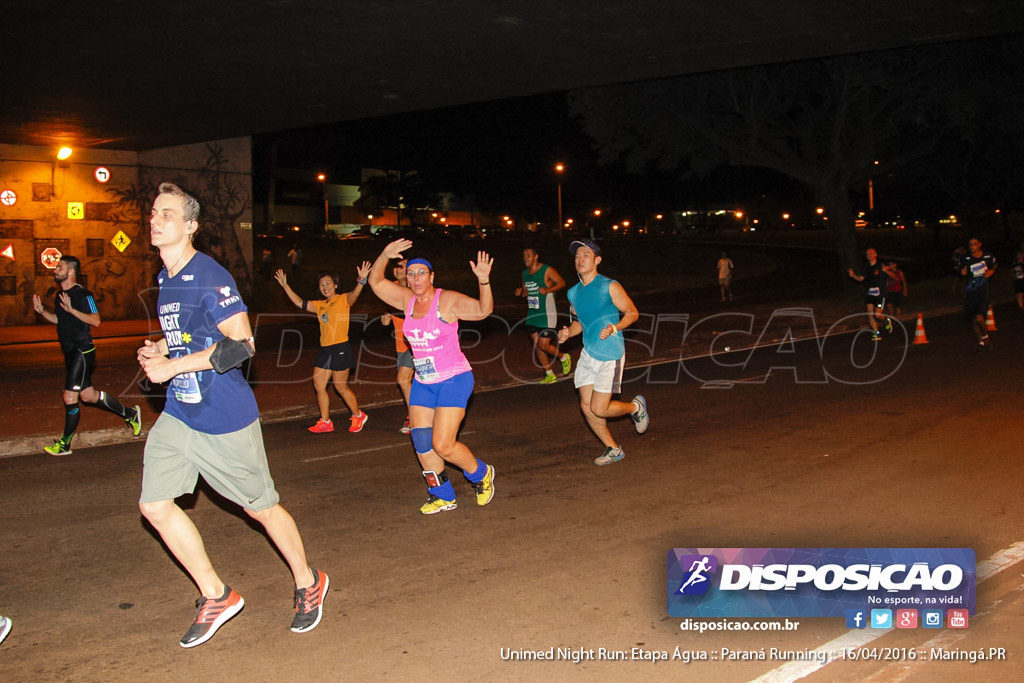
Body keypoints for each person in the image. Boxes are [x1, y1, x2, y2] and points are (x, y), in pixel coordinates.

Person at [138, 183, 327, 648]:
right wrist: (160, 348)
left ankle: (308, 581)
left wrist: (172, 366)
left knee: (259, 507)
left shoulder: (209, 274)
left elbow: (243, 345)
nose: (155, 220)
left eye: (166, 214)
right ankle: (216, 594)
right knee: (155, 505)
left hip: (224, 415)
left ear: (190, 227)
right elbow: (189, 332)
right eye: (153, 214)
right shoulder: (166, 277)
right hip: (182, 411)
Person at [368, 239, 496, 515]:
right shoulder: (406, 300)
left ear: (432, 276)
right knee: (422, 442)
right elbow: (375, 282)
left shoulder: (446, 300)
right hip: (424, 382)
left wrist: (484, 282)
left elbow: (483, 311)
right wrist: (384, 255)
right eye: (410, 273)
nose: (415, 278)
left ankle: (481, 474)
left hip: (454, 379)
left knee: (443, 444)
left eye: (421, 273)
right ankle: (442, 495)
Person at [32, 256, 142, 456]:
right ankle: (130, 413)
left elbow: (96, 321)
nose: (55, 270)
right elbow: (61, 320)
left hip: (82, 351)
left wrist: (73, 310)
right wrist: (42, 312)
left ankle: (64, 444)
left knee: (69, 397)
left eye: (60, 267)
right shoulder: (59, 296)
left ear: (71, 272)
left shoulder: (84, 295)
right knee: (88, 396)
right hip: (70, 352)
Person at [557, 240, 649, 466]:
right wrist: (569, 332)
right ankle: (613, 448)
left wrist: (615, 328)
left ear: (597, 260)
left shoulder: (609, 286)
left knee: (600, 408)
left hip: (610, 355)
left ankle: (635, 408)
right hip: (589, 354)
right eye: (577, 256)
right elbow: (579, 322)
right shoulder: (573, 293)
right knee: (587, 408)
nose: (580, 259)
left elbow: (632, 313)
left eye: (586, 255)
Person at [274, 264, 371, 434]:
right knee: (319, 385)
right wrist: (285, 285)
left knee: (340, 387)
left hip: (341, 347)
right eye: (321, 285)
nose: (325, 287)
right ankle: (325, 421)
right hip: (325, 349)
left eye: (328, 283)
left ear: (335, 285)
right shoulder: (319, 305)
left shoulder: (343, 300)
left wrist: (361, 281)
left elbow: (355, 295)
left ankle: (358, 415)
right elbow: (299, 302)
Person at [514, 246, 571, 384]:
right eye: (523, 256)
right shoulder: (525, 273)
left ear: (536, 256)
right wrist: (520, 293)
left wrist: (548, 289)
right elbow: (527, 293)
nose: (525, 258)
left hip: (547, 313)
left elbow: (562, 282)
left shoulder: (547, 270)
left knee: (543, 344)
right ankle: (550, 374)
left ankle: (564, 357)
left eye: (528, 255)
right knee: (537, 345)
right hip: (533, 314)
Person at [379, 258, 414, 433]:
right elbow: (388, 312)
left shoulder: (416, 287)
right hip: (402, 343)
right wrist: (385, 317)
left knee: (403, 379)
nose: (398, 270)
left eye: (402, 267)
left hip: (417, 343)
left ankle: (414, 418)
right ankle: (422, 414)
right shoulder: (391, 288)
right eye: (396, 267)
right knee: (412, 381)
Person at [847, 248, 896, 341]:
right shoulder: (867, 268)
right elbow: (861, 279)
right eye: (867, 254)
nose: (869, 255)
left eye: (871, 253)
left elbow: (893, 276)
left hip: (881, 292)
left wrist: (886, 271)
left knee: (877, 315)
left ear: (875, 254)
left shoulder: (881, 266)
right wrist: (853, 275)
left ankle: (886, 320)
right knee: (869, 313)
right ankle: (876, 333)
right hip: (871, 292)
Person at [961, 237, 996, 348]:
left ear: (979, 245)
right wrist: (962, 271)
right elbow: (961, 269)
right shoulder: (966, 258)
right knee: (973, 319)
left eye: (974, 244)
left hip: (982, 291)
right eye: (970, 244)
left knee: (979, 317)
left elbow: (994, 264)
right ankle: (981, 341)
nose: (972, 246)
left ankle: (985, 335)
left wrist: (991, 271)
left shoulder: (987, 256)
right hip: (971, 291)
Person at [1012, 246, 1024, 310]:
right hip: (1018, 280)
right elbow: (1012, 271)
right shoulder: (1015, 263)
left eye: (1021, 255)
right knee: (1019, 293)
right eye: (1018, 255)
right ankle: (1020, 306)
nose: (1019, 256)